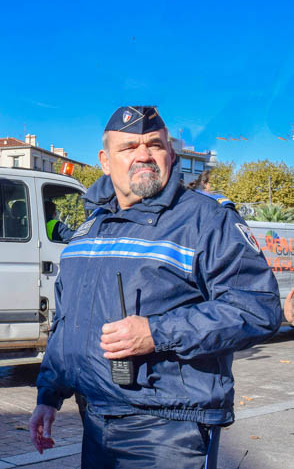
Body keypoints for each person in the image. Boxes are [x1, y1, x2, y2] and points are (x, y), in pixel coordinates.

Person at [29, 106, 281, 468]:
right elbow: (67, 324)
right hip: (96, 421)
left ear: (171, 154)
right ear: (105, 160)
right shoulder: (90, 229)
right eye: (129, 147)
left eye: (154, 145)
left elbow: (257, 307)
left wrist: (156, 333)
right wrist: (48, 397)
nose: (143, 155)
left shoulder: (207, 219)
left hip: (167, 429)